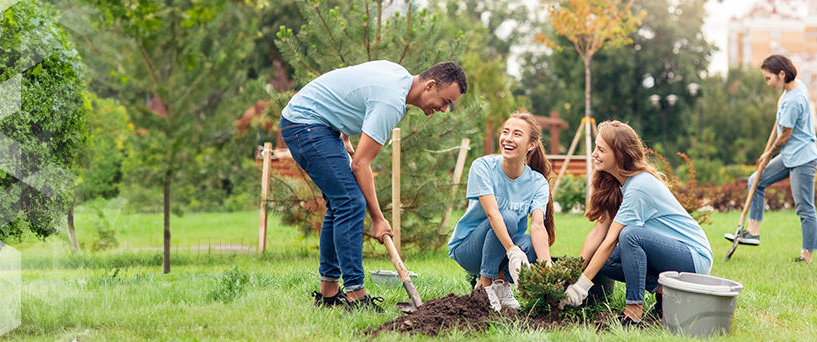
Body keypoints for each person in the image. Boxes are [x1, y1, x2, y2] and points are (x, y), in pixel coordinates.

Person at [280, 60, 467, 312]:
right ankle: (356, 298)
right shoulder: (391, 101)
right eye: (445, 101)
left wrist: (345, 134)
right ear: (430, 85)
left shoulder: (398, 75)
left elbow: (351, 86)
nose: (444, 109)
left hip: (317, 123)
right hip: (306, 123)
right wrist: (378, 219)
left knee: (339, 205)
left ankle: (329, 295)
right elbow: (361, 165)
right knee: (350, 202)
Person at [562, 121, 713, 324]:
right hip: (670, 255)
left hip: (694, 257)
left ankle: (633, 311)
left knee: (629, 235)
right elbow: (598, 233)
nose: (593, 154)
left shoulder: (639, 186)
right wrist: (572, 273)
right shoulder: (617, 184)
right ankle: (663, 293)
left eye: (600, 149)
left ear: (619, 154)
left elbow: (611, 240)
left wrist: (582, 286)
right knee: (605, 260)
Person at [447, 113, 558, 312]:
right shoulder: (483, 167)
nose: (508, 138)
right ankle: (484, 286)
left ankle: (501, 284)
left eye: (517, 134)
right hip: (470, 249)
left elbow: (538, 226)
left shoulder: (537, 182)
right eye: (505, 132)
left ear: (531, 145)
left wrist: (547, 270)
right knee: (508, 216)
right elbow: (493, 214)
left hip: (502, 250)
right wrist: (512, 250)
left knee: (533, 243)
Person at [723, 55, 817, 263]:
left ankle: (807, 255)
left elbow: (785, 135)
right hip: (789, 156)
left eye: (769, 78)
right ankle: (753, 231)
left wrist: (768, 153)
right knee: (755, 180)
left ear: (782, 74)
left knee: (804, 207)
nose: (767, 83)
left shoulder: (794, 100)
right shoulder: (793, 88)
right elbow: (782, 125)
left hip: (802, 158)